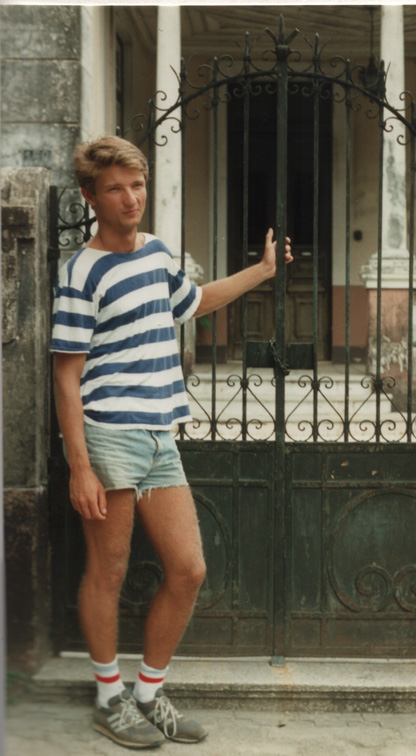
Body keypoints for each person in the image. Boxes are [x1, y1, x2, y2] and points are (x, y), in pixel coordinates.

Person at [50, 136, 292, 749]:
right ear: (91, 197)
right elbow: (66, 375)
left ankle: (147, 694)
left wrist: (263, 272)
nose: (130, 198)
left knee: (188, 569)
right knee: (109, 570)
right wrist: (79, 466)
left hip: (162, 435)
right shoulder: (81, 272)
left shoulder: (157, 253)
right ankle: (109, 699)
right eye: (115, 188)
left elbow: (193, 303)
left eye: (136, 185)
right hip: (110, 435)